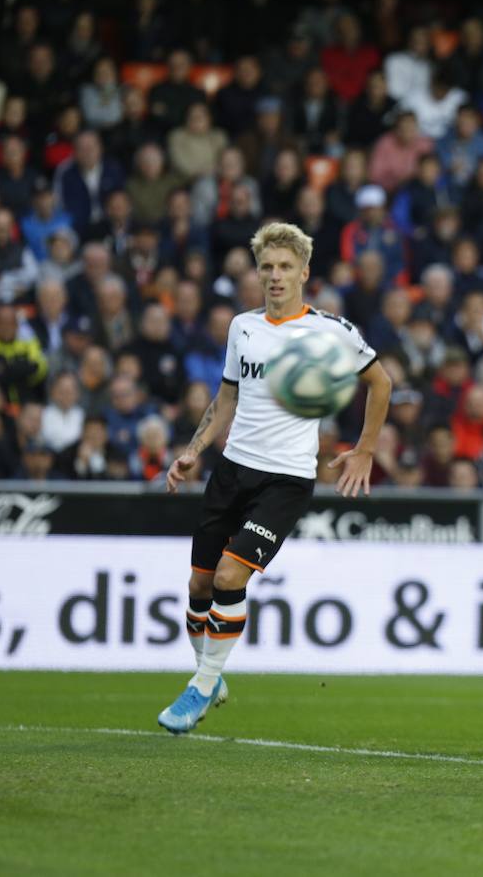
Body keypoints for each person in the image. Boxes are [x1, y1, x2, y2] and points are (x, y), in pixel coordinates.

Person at [158, 222, 392, 734]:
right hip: (232, 469)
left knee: (227, 577)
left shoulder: (331, 330)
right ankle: (209, 673)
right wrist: (193, 451)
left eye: (286, 266)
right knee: (199, 584)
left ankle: (200, 687)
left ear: (305, 272)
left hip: (285, 479)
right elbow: (227, 398)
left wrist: (364, 450)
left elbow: (381, 382)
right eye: (267, 267)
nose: (275, 276)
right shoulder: (242, 326)